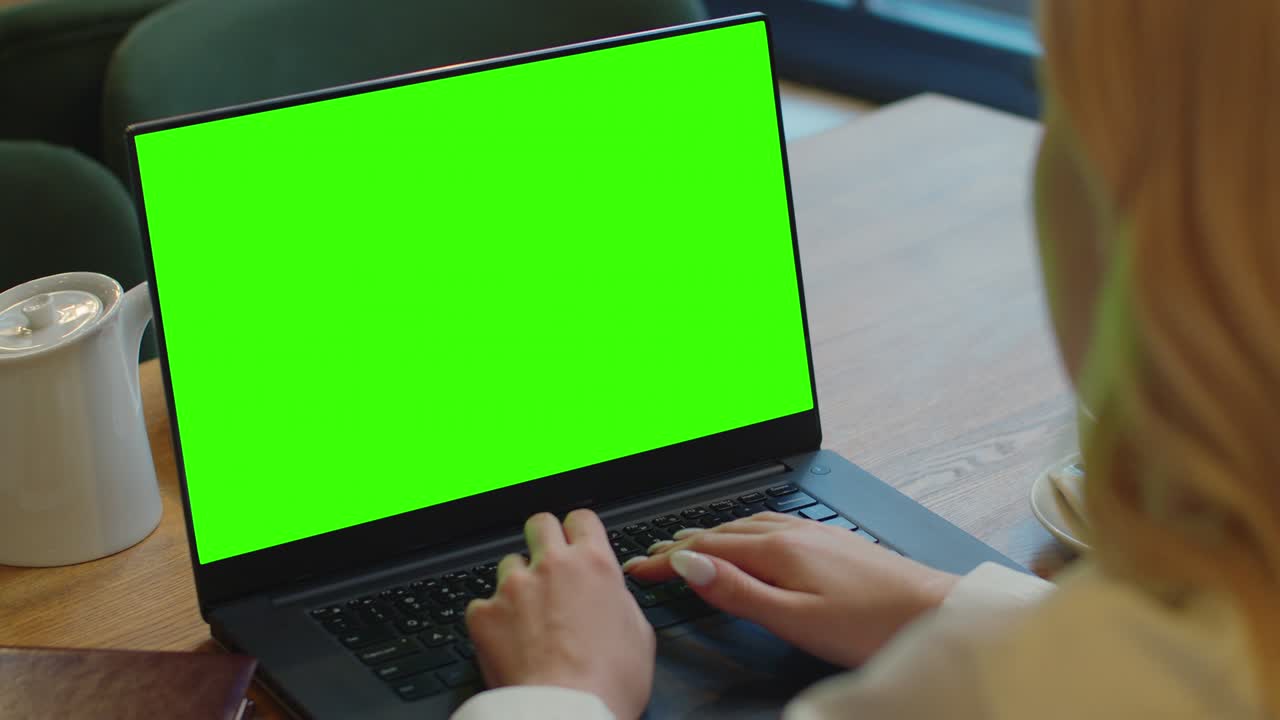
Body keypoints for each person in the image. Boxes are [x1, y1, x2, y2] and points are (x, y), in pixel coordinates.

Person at [450, 1, 1280, 717]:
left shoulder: (1002, 697)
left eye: (1055, 105)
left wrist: (561, 690)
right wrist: (956, 608)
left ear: (1164, 244)